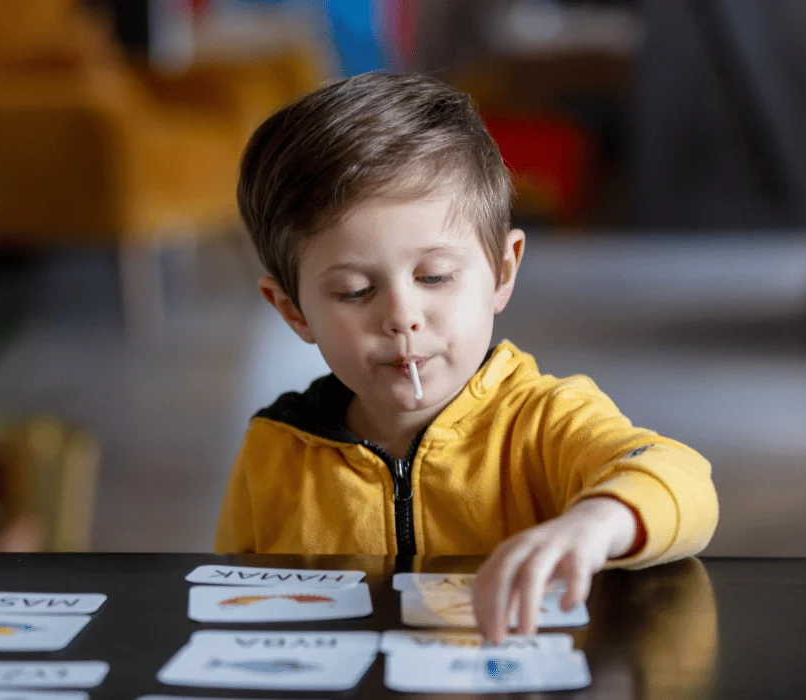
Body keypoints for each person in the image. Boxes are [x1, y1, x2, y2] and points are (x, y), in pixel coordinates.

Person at [215, 72, 719, 641]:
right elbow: (237, 608)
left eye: (435, 276)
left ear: (502, 271)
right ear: (293, 311)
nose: (402, 316)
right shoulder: (275, 449)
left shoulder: (544, 420)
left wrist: (595, 523)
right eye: (355, 290)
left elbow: (682, 480)